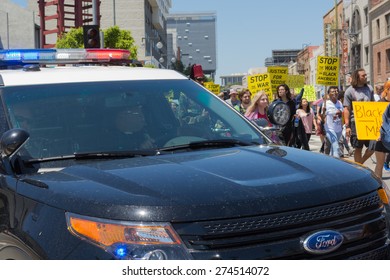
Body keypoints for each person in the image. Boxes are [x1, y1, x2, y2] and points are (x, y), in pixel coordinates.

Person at [343, 68, 375, 164]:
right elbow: (347, 109)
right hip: (356, 123)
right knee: (358, 147)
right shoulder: (349, 91)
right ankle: (359, 167)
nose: (366, 77)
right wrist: (347, 126)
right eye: (363, 75)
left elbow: (373, 104)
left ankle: (359, 164)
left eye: (365, 75)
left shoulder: (370, 88)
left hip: (369, 122)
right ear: (357, 77)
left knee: (373, 146)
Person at [374, 80, 390, 179]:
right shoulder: (379, 103)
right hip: (381, 138)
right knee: (379, 166)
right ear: (387, 90)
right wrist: (376, 134)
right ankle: (378, 189)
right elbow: (374, 121)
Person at [324, 87, 343, 158]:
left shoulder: (340, 103)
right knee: (336, 147)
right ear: (328, 94)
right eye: (332, 91)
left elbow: (341, 115)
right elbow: (322, 115)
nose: (335, 93)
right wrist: (323, 112)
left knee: (333, 148)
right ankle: (337, 166)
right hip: (330, 129)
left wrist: (340, 112)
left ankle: (330, 163)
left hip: (338, 129)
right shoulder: (326, 103)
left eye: (336, 91)